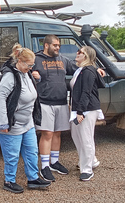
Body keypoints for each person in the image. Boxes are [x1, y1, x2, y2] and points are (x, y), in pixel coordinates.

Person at [0, 43, 51, 194]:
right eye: (29, 65)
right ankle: (9, 181)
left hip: (27, 122)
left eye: (32, 65)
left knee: (31, 150)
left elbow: (30, 91)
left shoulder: (26, 73)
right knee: (12, 154)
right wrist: (4, 122)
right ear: (20, 61)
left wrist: (38, 78)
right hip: (12, 123)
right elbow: (0, 99)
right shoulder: (9, 76)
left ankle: (33, 178)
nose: (31, 68)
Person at [31, 35, 76, 182]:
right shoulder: (36, 59)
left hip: (61, 102)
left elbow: (78, 70)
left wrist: (96, 70)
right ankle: (44, 166)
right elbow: (23, 72)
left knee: (57, 133)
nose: (57, 48)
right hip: (44, 102)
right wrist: (32, 75)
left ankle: (54, 162)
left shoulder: (62, 60)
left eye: (59, 45)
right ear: (46, 45)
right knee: (47, 134)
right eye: (55, 45)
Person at [70, 46, 105, 181]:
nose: (77, 53)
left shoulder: (88, 71)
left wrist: (80, 111)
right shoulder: (80, 70)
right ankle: (91, 160)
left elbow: (86, 91)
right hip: (79, 109)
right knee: (76, 135)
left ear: (86, 56)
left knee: (86, 138)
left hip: (87, 109)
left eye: (80, 52)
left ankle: (87, 169)